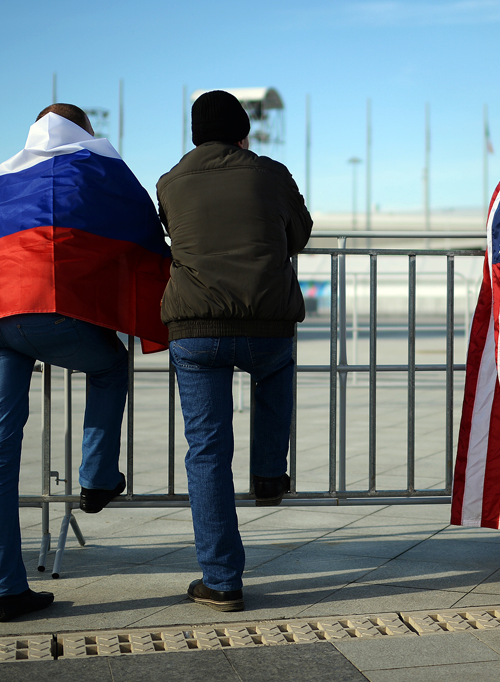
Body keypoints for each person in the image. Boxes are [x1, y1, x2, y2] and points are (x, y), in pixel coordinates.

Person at [0, 104, 170, 621]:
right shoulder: (96, 167)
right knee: (111, 364)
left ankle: (3, 590)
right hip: (47, 311)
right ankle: (96, 478)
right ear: (85, 132)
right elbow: (141, 235)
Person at [157, 90, 312, 612]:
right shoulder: (271, 173)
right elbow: (301, 234)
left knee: (206, 450)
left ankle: (221, 580)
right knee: (274, 375)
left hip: (196, 327)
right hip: (267, 320)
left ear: (196, 135)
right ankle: (269, 474)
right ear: (244, 133)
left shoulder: (170, 182)